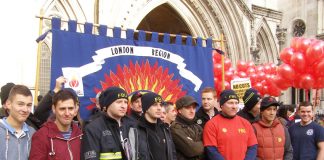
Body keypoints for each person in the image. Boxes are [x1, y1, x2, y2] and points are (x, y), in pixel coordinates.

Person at [81, 86, 138, 160]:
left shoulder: (133, 125)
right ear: (107, 105)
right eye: (119, 102)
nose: (123, 106)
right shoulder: (93, 128)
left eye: (125, 102)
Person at [203, 89, 257, 160]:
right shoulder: (211, 124)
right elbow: (211, 150)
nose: (234, 106)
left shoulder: (245, 123)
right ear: (222, 105)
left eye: (236, 103)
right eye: (230, 103)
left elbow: (253, 146)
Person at [29, 89, 82, 160]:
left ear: (75, 110)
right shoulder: (41, 136)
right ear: (54, 109)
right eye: (62, 109)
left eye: (70, 108)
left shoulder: (80, 135)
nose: (67, 113)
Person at [0, 85, 36, 160]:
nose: (25, 109)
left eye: (29, 105)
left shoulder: (32, 133)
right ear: (8, 104)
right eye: (20, 104)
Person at [137, 92, 176, 160]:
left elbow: (172, 153)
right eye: (155, 105)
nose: (159, 108)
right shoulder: (136, 129)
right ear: (146, 108)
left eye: (160, 105)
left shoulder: (165, 128)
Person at [171, 95, 204, 160]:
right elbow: (192, 150)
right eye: (188, 108)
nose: (192, 111)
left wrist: (196, 144)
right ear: (179, 110)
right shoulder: (174, 128)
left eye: (194, 108)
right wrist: (205, 144)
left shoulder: (197, 126)